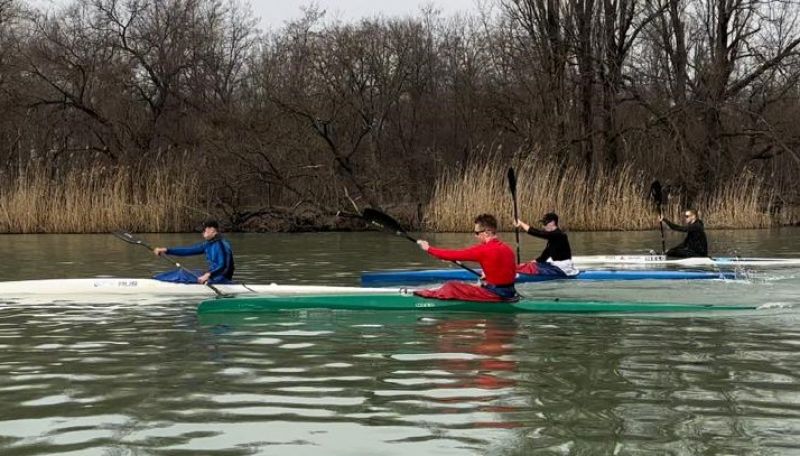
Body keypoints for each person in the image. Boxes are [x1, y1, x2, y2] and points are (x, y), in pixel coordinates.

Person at [415, 214, 518, 302]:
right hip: (510, 292)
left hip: (495, 295)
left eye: (477, 233)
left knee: (451, 286)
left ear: (487, 232)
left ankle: (425, 297)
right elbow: (508, 273)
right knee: (475, 285)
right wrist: (488, 276)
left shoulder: (483, 250)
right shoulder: (508, 249)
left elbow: (453, 255)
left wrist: (428, 248)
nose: (475, 236)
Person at [152, 219, 235, 284]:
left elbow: (223, 265)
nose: (202, 233)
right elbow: (187, 251)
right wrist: (167, 250)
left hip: (221, 278)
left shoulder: (221, 244)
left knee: (182, 274)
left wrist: (208, 275)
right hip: (212, 276)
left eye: (204, 230)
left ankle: (155, 282)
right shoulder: (208, 244)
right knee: (183, 272)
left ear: (212, 230)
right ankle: (155, 280)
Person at [513, 212, 579, 277]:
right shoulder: (552, 239)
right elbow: (542, 258)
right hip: (556, 266)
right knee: (529, 265)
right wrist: (525, 264)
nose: (543, 226)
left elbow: (538, 233)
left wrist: (521, 223)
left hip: (564, 268)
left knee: (531, 267)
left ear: (552, 222)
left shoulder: (559, 235)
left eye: (545, 223)